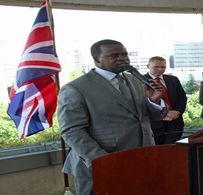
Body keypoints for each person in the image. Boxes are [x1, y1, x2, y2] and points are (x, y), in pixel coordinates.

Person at [57, 39, 168, 195]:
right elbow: (72, 131)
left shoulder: (135, 80)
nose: (122, 58)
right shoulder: (76, 88)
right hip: (102, 162)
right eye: (114, 55)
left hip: (142, 158)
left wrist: (154, 101)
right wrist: (103, 161)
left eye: (124, 54)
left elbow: (152, 116)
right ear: (97, 59)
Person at [144, 56, 187, 144]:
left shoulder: (173, 80)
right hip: (154, 123)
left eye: (163, 67)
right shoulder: (139, 81)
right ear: (148, 66)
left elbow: (182, 98)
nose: (160, 70)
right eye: (156, 67)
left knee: (173, 150)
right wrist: (165, 113)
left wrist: (177, 111)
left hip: (174, 122)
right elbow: (141, 102)